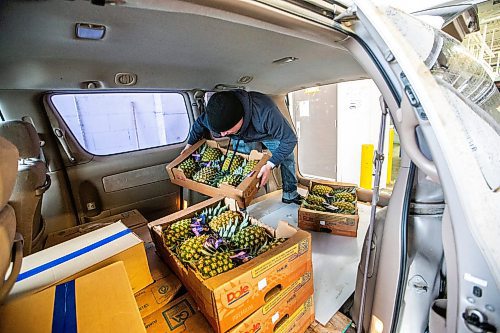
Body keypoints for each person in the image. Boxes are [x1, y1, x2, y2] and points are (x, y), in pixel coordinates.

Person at [183, 90, 303, 204]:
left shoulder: (266, 112)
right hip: (240, 136)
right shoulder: (215, 117)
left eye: (226, 130)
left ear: (240, 118)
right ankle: (240, 202)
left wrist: (270, 165)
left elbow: (290, 139)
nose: (223, 135)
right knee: (241, 168)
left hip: (267, 134)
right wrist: (189, 145)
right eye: (220, 132)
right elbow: (198, 123)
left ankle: (290, 194)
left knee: (287, 157)